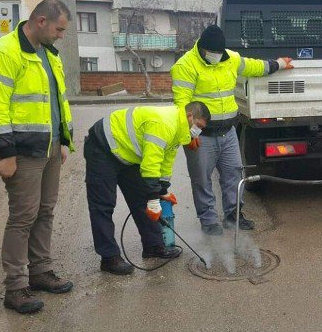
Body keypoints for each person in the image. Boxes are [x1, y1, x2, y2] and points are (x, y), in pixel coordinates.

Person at [0, 0, 74, 314]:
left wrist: (63, 140)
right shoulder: (5, 52)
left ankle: (40, 271)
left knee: (45, 211)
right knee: (23, 217)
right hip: (22, 151)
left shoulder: (49, 54)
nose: (61, 35)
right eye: (59, 29)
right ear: (40, 21)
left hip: (49, 147)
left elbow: (56, 101)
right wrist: (5, 153)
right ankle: (16, 287)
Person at [171, 25, 293, 235]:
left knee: (233, 175)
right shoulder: (185, 65)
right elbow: (182, 104)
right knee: (202, 179)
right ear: (201, 48)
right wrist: (189, 134)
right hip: (201, 136)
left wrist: (278, 64)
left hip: (228, 132)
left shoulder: (231, 58)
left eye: (219, 53)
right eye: (212, 53)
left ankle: (233, 215)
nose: (216, 56)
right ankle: (209, 222)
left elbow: (255, 67)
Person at [84, 102, 210, 274]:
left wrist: (162, 191)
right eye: (198, 125)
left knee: (141, 199)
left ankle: (153, 246)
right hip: (103, 146)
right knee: (103, 205)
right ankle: (109, 257)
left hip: (128, 152)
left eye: (201, 128)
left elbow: (165, 163)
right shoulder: (165, 124)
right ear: (189, 116)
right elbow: (151, 165)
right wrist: (153, 198)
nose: (198, 131)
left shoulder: (180, 132)